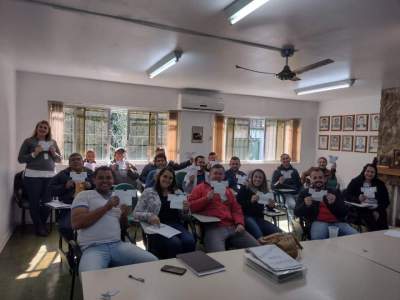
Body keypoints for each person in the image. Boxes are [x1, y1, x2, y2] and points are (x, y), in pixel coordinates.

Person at [71, 166, 157, 272]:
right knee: (88, 276)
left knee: (153, 262)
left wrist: (124, 215)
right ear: (94, 180)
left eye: (108, 178)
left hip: (117, 245)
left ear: (113, 180)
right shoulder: (84, 195)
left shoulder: (118, 197)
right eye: (101, 178)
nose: (105, 181)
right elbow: (77, 223)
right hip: (92, 248)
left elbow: (124, 228)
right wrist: (106, 207)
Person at [188, 164, 259, 252]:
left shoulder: (227, 190)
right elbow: (191, 207)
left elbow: (236, 209)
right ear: (209, 175)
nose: (218, 176)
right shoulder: (200, 188)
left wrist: (240, 223)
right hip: (214, 228)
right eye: (215, 173)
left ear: (224, 176)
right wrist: (206, 199)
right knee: (218, 257)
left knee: (257, 248)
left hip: (233, 226)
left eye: (220, 174)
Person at [134, 168, 196, 259]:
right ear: (159, 177)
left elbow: (185, 216)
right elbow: (136, 213)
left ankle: (188, 265)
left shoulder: (177, 192)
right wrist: (150, 216)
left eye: (170, 178)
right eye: (165, 176)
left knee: (190, 240)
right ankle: (173, 267)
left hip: (176, 225)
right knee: (175, 243)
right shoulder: (149, 192)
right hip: (158, 226)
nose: (167, 180)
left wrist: (186, 209)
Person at [18, 120, 62, 236]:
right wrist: (34, 153)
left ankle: (40, 225)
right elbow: (21, 159)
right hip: (32, 177)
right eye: (40, 127)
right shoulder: (29, 141)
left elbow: (59, 159)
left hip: (50, 177)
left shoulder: (53, 142)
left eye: (45, 128)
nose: (42, 129)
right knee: (34, 203)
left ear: (48, 131)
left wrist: (54, 153)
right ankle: (39, 227)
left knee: (48, 203)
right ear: (37, 128)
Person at [294, 168, 358, 240]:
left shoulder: (334, 191)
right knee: (318, 240)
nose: (318, 180)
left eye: (320, 177)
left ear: (324, 179)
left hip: (337, 222)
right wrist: (305, 205)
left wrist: (334, 203)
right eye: (315, 178)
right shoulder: (305, 193)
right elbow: (296, 212)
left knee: (356, 236)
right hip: (318, 222)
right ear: (310, 179)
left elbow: (344, 212)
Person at [49, 153, 94, 241]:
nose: (76, 161)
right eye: (73, 160)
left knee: (98, 225)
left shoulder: (90, 173)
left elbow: (100, 188)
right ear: (69, 163)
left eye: (78, 159)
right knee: (65, 227)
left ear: (82, 161)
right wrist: (64, 187)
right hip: (69, 207)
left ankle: (87, 244)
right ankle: (73, 246)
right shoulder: (63, 174)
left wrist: (91, 186)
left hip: (89, 206)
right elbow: (50, 189)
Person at [236, 169, 280, 241]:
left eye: (260, 178)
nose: (257, 179)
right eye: (255, 177)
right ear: (252, 177)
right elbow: (238, 205)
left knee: (278, 232)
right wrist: (250, 201)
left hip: (259, 218)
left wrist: (271, 206)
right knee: (259, 235)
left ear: (263, 180)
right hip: (247, 217)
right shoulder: (245, 188)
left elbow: (266, 208)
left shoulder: (264, 191)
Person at [345, 164, 389, 231]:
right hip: (361, 209)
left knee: (381, 217)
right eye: (367, 171)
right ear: (364, 171)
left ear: (375, 173)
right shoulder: (355, 181)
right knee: (369, 217)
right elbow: (346, 195)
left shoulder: (380, 184)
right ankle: (372, 236)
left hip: (378, 208)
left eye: (372, 172)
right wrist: (358, 199)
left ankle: (382, 235)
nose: (369, 174)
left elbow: (386, 201)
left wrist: (377, 209)